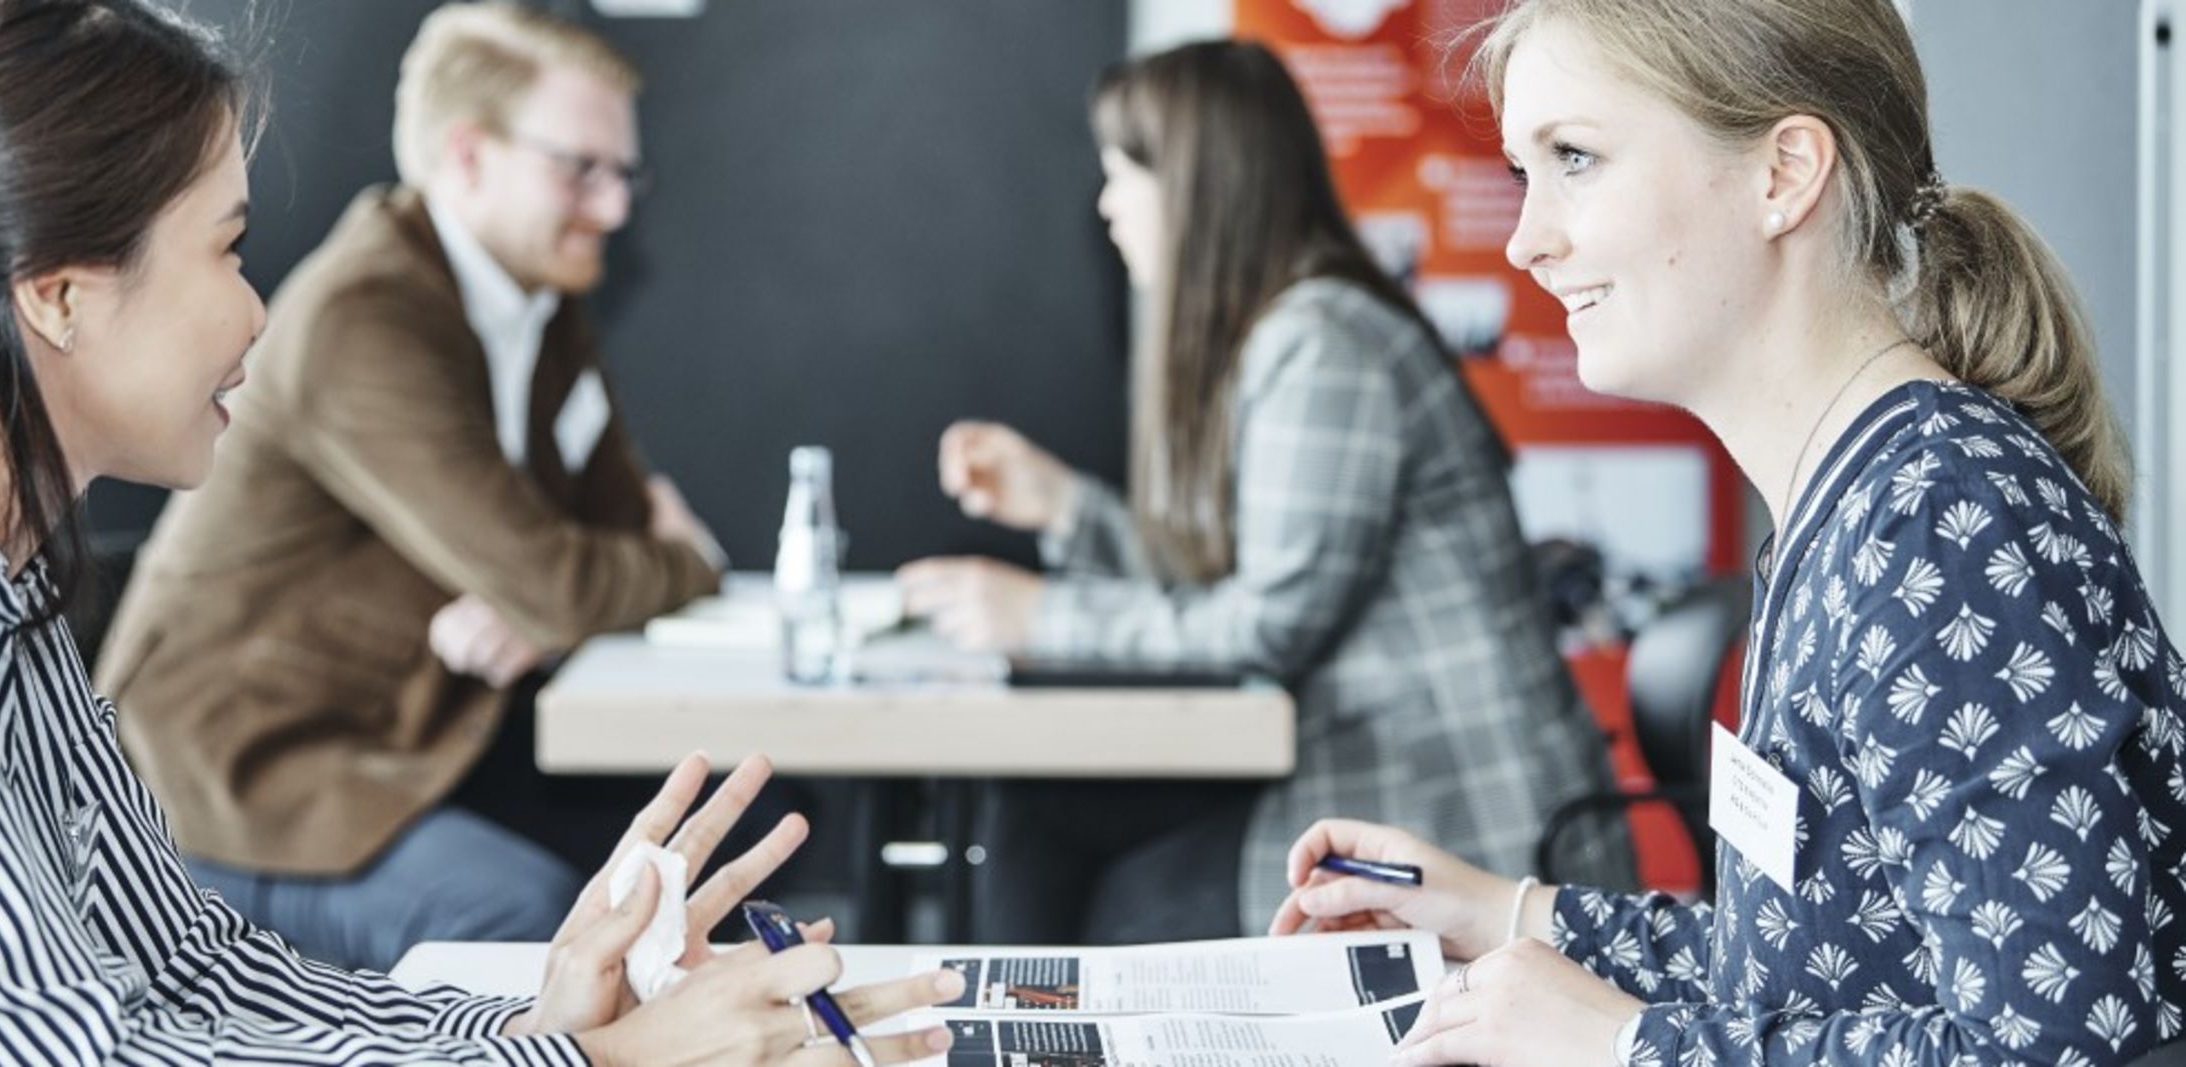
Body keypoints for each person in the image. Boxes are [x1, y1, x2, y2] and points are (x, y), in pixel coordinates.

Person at [0, 0, 959, 1062]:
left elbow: (194, 968)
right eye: (229, 248)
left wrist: (537, 1030)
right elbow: (74, 1048)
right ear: (62, 294)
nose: (260, 309)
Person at [1273, 1, 2186, 1064]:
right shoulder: (1854, 497)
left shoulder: (1935, 523)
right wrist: (1505, 911)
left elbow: (2061, 1050)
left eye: (1575, 156)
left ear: (1783, 174)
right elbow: (1813, 964)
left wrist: (1624, 1042)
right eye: (1528, 173)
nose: (1526, 241)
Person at [894, 40, 1628, 943]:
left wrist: (1040, 615)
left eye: (1125, 174)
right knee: (1035, 820)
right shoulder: (1295, 329)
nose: (1107, 205)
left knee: (1099, 892)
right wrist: (1063, 507)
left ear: (1198, 186)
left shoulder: (1323, 341)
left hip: (1458, 825)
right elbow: (1241, 582)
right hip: (1377, 787)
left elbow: (1269, 623)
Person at [95, 1, 731, 970]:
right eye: (582, 169)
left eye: (623, 173)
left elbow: (585, 541)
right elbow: (577, 568)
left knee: (721, 835)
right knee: (530, 916)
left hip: (412, 743)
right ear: (468, 154)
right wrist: (668, 560)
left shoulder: (542, 301)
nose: (613, 207)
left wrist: (552, 590)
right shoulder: (367, 317)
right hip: (242, 784)